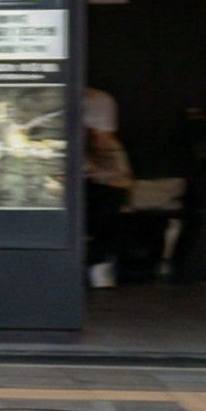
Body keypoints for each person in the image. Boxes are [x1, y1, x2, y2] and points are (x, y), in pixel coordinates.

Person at [82, 86, 131, 289]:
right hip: (84, 191)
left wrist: (98, 173)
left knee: (110, 205)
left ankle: (97, 262)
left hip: (101, 193)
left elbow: (122, 176)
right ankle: (96, 262)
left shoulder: (109, 148)